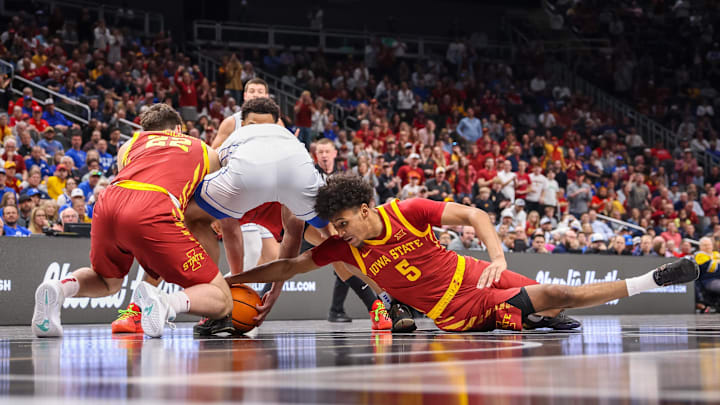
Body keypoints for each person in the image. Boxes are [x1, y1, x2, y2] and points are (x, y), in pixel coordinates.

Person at [226, 175, 699, 332]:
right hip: (458, 311)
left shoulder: (408, 210)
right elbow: (288, 264)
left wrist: (497, 258)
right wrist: (231, 282)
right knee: (558, 293)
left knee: (553, 300)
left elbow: (476, 216)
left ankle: (537, 313)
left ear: (366, 209)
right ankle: (652, 280)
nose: (340, 232)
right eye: (334, 227)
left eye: (345, 223)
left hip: (476, 273)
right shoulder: (336, 246)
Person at [32, 103, 232, 339]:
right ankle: (165, 302)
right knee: (222, 298)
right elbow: (214, 196)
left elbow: (132, 178)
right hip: (153, 207)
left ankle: (59, 288)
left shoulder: (128, 146)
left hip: (108, 202)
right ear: (178, 129)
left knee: (107, 281)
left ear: (145, 130)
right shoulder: (202, 148)